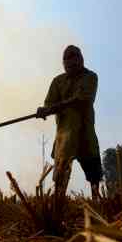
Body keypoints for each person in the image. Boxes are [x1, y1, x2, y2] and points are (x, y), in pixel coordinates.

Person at [36, 45, 102, 200]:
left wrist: (52, 108)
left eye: (74, 57)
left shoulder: (90, 77)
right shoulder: (58, 81)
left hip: (85, 132)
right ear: (63, 63)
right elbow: (49, 103)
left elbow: (82, 99)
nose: (71, 61)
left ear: (81, 59)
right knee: (60, 176)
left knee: (94, 175)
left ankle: (96, 205)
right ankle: (57, 205)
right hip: (64, 135)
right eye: (67, 58)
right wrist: (44, 110)